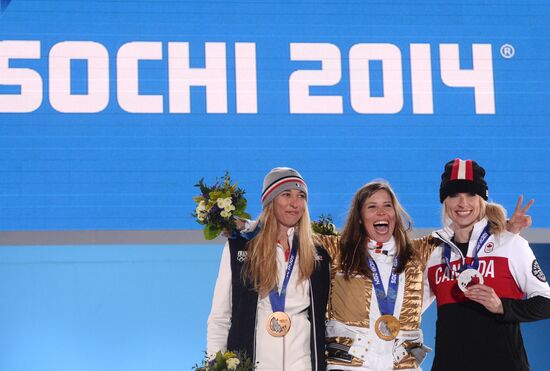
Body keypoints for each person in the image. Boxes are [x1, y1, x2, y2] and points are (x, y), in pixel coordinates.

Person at [425, 158, 550, 371]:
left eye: (471, 194)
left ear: (482, 199)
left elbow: (546, 302)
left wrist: (502, 306)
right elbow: (409, 308)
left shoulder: (510, 243)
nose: (462, 203)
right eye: (454, 195)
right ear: (444, 201)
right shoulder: (433, 252)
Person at [206, 167, 330, 371]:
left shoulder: (317, 253)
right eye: (286, 194)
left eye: (301, 196)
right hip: (253, 364)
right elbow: (221, 316)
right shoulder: (241, 247)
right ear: (270, 201)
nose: (295, 203)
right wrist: (215, 362)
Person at [321, 181, 437, 371]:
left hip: (403, 366)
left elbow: (463, 232)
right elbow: (287, 235)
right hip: (350, 366)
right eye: (372, 207)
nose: (381, 212)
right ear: (359, 217)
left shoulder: (419, 253)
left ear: (395, 214)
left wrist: (499, 223)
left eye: (387, 205)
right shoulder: (336, 251)